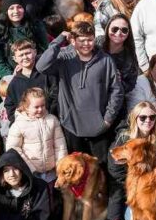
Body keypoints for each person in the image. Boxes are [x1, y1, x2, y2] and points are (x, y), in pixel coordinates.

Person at [36, 21, 123, 160]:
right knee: (76, 169)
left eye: (90, 40)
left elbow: (116, 91)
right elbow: (41, 66)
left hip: (100, 126)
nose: (86, 44)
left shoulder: (105, 60)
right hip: (71, 125)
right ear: (73, 40)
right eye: (82, 40)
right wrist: (58, 41)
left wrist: (108, 119)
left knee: (99, 171)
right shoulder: (64, 57)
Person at [106, 101, 156, 220]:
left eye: (152, 117)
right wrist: (115, 217)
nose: (148, 121)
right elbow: (117, 177)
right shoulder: (124, 138)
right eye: (142, 117)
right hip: (135, 192)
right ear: (135, 118)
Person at [5, 87, 67, 182]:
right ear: (26, 107)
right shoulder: (19, 124)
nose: (40, 109)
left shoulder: (52, 120)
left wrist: (61, 165)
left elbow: (60, 145)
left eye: (43, 106)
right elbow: (13, 149)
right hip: (31, 172)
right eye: (36, 107)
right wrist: (28, 167)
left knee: (52, 194)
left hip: (52, 171)